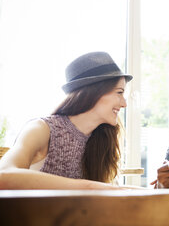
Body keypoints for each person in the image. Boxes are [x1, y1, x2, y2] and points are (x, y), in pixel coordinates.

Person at [0, 52, 141, 189]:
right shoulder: (42, 129)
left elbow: (111, 191)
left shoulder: (102, 139)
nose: (124, 104)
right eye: (119, 92)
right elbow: (4, 175)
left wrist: (159, 191)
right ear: (94, 92)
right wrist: (88, 187)